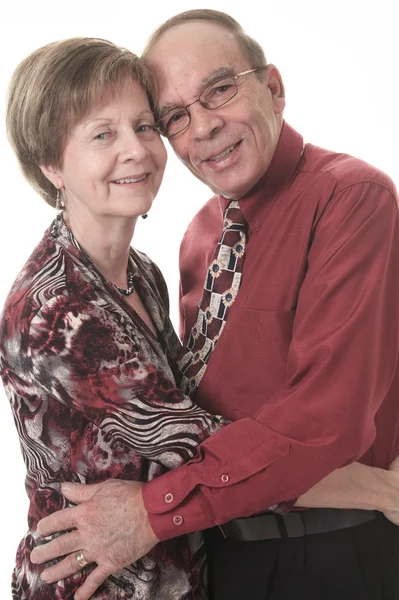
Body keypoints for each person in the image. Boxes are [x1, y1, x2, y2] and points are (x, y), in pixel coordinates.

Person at [24, 10, 399, 600]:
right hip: (189, 564)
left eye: (219, 89)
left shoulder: (350, 198)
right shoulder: (194, 239)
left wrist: (149, 513)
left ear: (272, 88)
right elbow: (189, 426)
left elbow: (324, 420)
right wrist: (373, 486)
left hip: (328, 557)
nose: (201, 128)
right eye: (174, 116)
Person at [0, 36, 233, 600]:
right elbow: (207, 451)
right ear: (51, 163)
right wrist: (375, 488)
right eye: (103, 134)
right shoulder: (59, 310)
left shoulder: (140, 271)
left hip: (172, 573)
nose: (137, 150)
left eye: (146, 127)